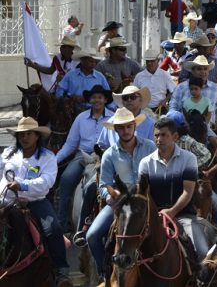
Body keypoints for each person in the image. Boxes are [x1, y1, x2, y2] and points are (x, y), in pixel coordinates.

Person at [0, 117, 72, 287]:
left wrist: (23, 186)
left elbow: (47, 182)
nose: (24, 138)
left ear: (37, 136)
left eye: (29, 134)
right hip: (5, 201)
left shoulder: (47, 157)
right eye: (21, 135)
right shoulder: (8, 153)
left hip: (35, 202)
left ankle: (61, 271)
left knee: (52, 229)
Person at [86, 109, 155, 280]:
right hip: (120, 203)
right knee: (92, 236)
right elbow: (103, 185)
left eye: (128, 126)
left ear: (134, 126)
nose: (125, 131)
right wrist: (113, 195)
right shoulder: (109, 155)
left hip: (146, 201)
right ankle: (106, 273)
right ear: (115, 130)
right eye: (121, 128)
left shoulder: (150, 146)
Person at [138, 117, 213, 259]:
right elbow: (143, 194)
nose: (159, 139)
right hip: (153, 218)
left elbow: (188, 191)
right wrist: (155, 215)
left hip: (184, 216)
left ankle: (200, 281)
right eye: (156, 135)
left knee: (202, 253)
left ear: (175, 137)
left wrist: (172, 211)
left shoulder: (189, 158)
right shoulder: (145, 163)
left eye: (163, 135)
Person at [55, 85, 114, 231]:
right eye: (94, 97)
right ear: (89, 100)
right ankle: (62, 224)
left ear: (105, 99)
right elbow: (70, 144)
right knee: (66, 179)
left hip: (105, 155)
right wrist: (54, 160)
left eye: (100, 97)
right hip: (83, 155)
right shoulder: (80, 118)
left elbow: (115, 142)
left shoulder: (113, 117)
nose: (97, 100)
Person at [169, 56, 217, 132]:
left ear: (208, 71)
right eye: (199, 69)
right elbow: (172, 110)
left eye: (205, 69)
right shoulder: (180, 88)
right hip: (184, 131)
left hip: (209, 131)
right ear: (192, 71)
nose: (203, 72)